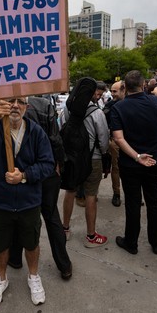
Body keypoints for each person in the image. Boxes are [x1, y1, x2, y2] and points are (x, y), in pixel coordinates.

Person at [0, 98, 54, 308]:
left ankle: (33, 276)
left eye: (21, 102)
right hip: (0, 202)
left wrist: (24, 176)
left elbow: (47, 164)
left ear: (27, 106)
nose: (15, 106)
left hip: (28, 202)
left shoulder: (36, 132)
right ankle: (1, 279)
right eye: (10, 101)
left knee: (32, 242)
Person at [7, 95, 72, 280]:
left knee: (21, 215)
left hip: (26, 171)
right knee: (50, 217)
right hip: (43, 170)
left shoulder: (9, 103)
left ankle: (15, 258)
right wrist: (58, 162)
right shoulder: (42, 104)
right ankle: (64, 265)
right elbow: (55, 138)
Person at [111, 70, 157, 255]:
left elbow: (118, 138)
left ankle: (131, 242)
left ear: (124, 87)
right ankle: (156, 243)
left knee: (133, 204)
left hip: (131, 164)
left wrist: (136, 156)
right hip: (154, 161)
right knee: (154, 202)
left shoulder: (118, 107)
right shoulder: (155, 102)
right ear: (143, 85)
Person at [61, 83, 110, 248]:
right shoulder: (97, 113)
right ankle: (91, 236)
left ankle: (65, 229)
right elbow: (103, 141)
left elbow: (62, 129)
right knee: (91, 195)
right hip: (93, 159)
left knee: (70, 191)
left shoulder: (68, 109)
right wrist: (104, 154)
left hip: (72, 159)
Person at [104, 81, 125, 206]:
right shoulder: (109, 105)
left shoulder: (131, 104)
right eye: (111, 91)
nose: (112, 94)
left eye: (115, 91)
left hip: (131, 141)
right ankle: (116, 193)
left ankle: (133, 194)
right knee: (116, 168)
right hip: (115, 142)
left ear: (123, 90)